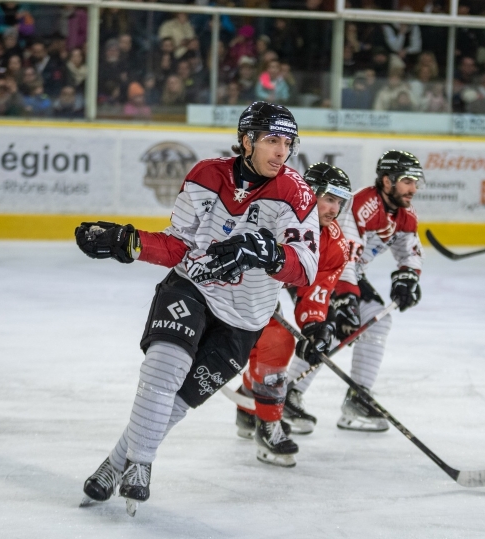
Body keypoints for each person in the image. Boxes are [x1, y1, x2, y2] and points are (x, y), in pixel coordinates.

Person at [76, 101, 319, 515]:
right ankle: (142, 465)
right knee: (162, 370)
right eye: (272, 141)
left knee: (177, 402)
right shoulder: (207, 175)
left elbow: (304, 270)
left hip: (244, 321)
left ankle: (115, 465)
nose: (282, 152)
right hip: (192, 288)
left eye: (288, 143)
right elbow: (178, 244)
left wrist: (267, 252)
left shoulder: (296, 194)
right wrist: (130, 243)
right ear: (246, 140)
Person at [284, 150, 425, 434]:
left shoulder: (404, 215)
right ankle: (286, 393)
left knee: (377, 321)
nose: (413, 188)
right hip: (322, 270)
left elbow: (409, 250)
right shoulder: (362, 204)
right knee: (329, 327)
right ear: (387, 181)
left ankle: (358, 398)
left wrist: (408, 275)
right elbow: (341, 254)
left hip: (349, 274)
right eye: (408, 181)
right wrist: (346, 298)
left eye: (415, 182)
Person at [234, 162, 352, 467]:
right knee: (267, 341)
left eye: (340, 202)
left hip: (265, 292)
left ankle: (262, 419)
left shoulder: (335, 243)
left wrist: (315, 326)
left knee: (278, 340)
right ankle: (254, 405)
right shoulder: (272, 212)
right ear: (309, 194)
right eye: (329, 199)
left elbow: (316, 290)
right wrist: (256, 288)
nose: (334, 210)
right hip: (226, 286)